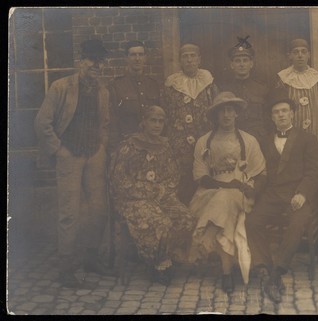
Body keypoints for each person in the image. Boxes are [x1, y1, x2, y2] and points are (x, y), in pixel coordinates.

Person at [34, 39, 113, 288]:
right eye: (91, 60)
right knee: (70, 212)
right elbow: (41, 122)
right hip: (69, 154)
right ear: (81, 62)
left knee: (99, 208)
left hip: (94, 155)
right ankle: (66, 268)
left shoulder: (103, 91)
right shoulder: (61, 87)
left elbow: (105, 123)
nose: (95, 65)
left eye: (99, 62)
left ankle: (91, 257)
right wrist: (59, 149)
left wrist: (101, 146)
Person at [245, 89, 318, 303]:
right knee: (251, 221)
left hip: (297, 194)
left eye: (284, 111)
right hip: (272, 194)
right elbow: (259, 170)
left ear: (292, 114)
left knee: (297, 224)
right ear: (271, 117)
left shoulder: (307, 139)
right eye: (276, 112)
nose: (281, 115)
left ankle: (277, 272)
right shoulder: (264, 140)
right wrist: (253, 195)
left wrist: (303, 193)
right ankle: (263, 265)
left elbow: (314, 172)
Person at [188, 92, 266, 294]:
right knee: (223, 202)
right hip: (210, 191)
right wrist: (223, 186)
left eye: (230, 110)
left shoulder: (248, 141)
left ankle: (225, 272)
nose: (226, 115)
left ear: (236, 113)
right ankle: (227, 270)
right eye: (221, 111)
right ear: (215, 115)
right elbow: (201, 176)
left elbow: (260, 172)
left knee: (226, 201)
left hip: (240, 190)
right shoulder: (204, 142)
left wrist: (251, 192)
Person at [109, 105, 196, 285]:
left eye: (160, 121)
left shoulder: (165, 146)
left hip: (160, 197)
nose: (157, 125)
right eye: (152, 121)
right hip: (132, 199)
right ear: (143, 122)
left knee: (186, 218)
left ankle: (164, 255)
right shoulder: (129, 146)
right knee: (160, 222)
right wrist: (149, 191)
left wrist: (162, 192)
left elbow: (173, 176)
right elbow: (119, 180)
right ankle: (158, 264)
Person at [164, 43, 219, 206]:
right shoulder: (172, 85)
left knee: (204, 177)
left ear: (199, 59)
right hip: (179, 144)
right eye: (185, 56)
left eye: (193, 56)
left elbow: (217, 112)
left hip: (204, 140)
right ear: (180, 61)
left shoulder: (209, 84)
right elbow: (166, 114)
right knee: (183, 181)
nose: (189, 60)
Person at [275, 38, 318, 157]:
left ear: (309, 55)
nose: (300, 55)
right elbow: (279, 106)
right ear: (290, 56)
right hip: (294, 129)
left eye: (303, 52)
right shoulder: (283, 79)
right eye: (296, 52)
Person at [108, 40, 162, 153]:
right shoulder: (116, 85)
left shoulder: (153, 84)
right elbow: (112, 122)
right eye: (133, 55)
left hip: (152, 146)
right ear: (126, 58)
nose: (137, 58)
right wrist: (114, 150)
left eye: (140, 54)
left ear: (145, 58)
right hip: (127, 147)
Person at [218, 36, 270, 145]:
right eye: (237, 61)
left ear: (251, 64)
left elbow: (268, 118)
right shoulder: (224, 90)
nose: (241, 64)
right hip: (233, 140)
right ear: (232, 65)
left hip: (258, 140)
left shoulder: (262, 89)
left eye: (245, 60)